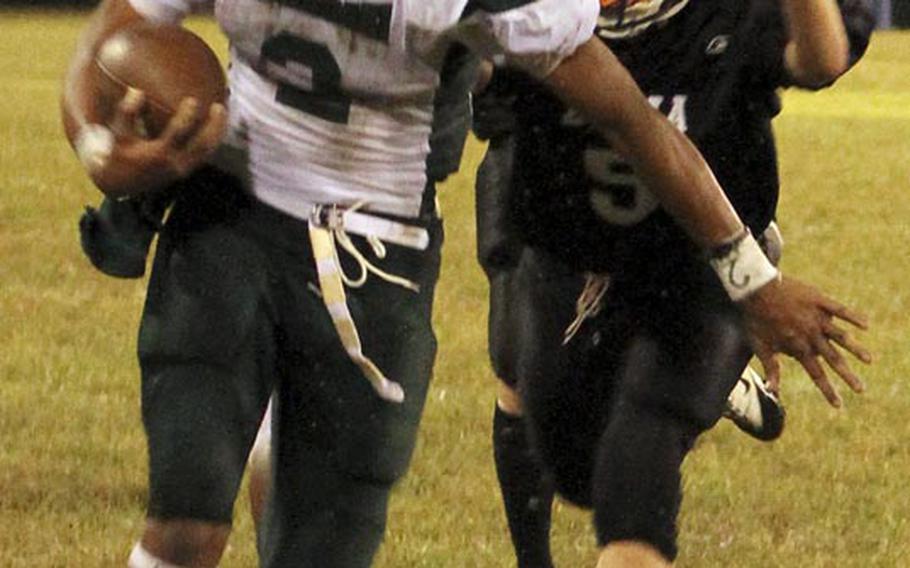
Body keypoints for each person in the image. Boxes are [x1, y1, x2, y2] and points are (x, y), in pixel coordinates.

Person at [61, 0, 870, 567]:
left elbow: (644, 117)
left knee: (337, 531)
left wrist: (746, 275)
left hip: (389, 245)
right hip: (257, 209)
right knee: (190, 518)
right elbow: (118, 31)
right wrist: (102, 146)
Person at [472, 0, 876, 565]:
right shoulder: (540, 17)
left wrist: (748, 278)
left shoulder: (724, 17)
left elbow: (820, 60)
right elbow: (455, 64)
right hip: (572, 258)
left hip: (699, 273)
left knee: (637, 460)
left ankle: (713, 358)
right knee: (572, 467)